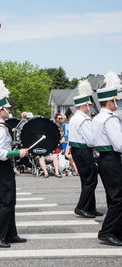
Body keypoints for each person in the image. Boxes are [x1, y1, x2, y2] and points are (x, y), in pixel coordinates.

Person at [0, 80, 28, 248]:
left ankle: (10, 233)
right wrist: (17, 153)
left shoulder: (0, 125)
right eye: (7, 108)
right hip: (0, 165)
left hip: (1, 166)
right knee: (7, 202)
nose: (9, 111)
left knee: (10, 200)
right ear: (0, 110)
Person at [92, 71, 122, 246]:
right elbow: (119, 144)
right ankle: (107, 231)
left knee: (114, 197)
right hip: (111, 158)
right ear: (109, 101)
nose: (117, 104)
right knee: (118, 197)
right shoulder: (110, 119)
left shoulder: (97, 118)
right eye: (116, 101)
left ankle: (116, 231)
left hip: (103, 159)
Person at [69, 80, 101, 219]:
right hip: (83, 151)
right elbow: (90, 139)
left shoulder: (75, 118)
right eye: (88, 104)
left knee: (86, 180)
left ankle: (90, 207)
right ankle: (81, 207)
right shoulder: (84, 119)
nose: (90, 107)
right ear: (83, 105)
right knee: (91, 180)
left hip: (77, 151)